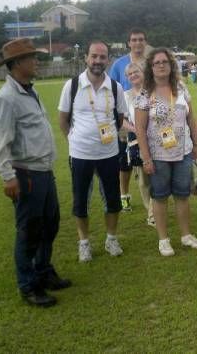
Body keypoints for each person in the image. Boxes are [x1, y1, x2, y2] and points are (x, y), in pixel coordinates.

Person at [0, 38, 70, 307]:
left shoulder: (28, 91)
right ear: (17, 64)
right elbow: (0, 141)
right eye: (32, 57)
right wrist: (7, 175)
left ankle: (43, 271)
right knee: (29, 230)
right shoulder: (6, 99)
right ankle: (28, 285)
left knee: (51, 223)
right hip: (26, 173)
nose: (37, 61)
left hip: (43, 171)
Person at [58, 41, 128, 262]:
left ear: (108, 59)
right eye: (94, 56)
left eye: (102, 57)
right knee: (81, 201)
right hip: (80, 155)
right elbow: (63, 119)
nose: (98, 61)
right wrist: (74, 139)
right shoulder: (72, 85)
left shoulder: (115, 87)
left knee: (113, 200)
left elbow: (119, 120)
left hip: (108, 153)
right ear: (86, 58)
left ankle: (111, 239)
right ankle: (84, 243)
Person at [134, 48, 197, 256]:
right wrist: (146, 158)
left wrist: (195, 144)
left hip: (182, 152)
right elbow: (139, 128)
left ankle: (186, 236)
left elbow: (190, 118)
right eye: (156, 62)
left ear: (171, 65)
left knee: (183, 195)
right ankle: (164, 240)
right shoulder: (145, 94)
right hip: (158, 156)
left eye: (165, 61)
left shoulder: (181, 88)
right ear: (151, 67)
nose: (161, 65)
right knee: (160, 196)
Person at [108, 28, 150, 212]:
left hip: (147, 117)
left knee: (148, 160)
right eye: (134, 40)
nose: (138, 43)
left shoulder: (150, 63)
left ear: (145, 42)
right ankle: (124, 196)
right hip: (125, 117)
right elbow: (110, 89)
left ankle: (152, 204)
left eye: (141, 39)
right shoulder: (119, 64)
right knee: (124, 163)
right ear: (128, 43)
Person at [122, 62, 154, 227]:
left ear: (143, 72)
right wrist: (136, 129)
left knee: (156, 176)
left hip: (156, 140)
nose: (133, 75)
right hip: (137, 141)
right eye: (130, 74)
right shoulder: (125, 96)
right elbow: (122, 120)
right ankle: (150, 209)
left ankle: (152, 214)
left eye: (136, 72)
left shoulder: (152, 90)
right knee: (143, 181)